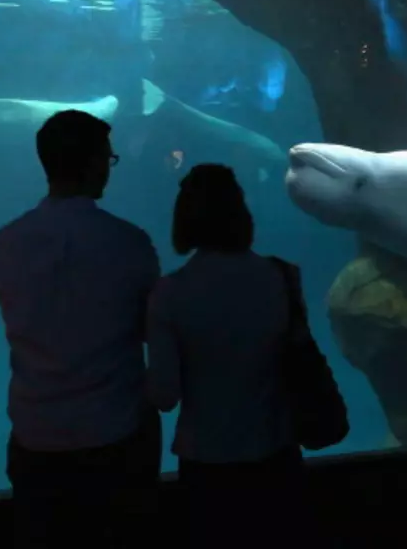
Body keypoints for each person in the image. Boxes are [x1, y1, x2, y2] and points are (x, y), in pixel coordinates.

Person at [0, 110, 162, 549]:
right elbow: (149, 329)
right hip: (115, 432)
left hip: (35, 434)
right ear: (94, 163)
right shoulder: (129, 241)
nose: (110, 166)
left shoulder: (4, 242)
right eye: (108, 158)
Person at [145, 163, 321, 544]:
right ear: (242, 212)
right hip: (276, 450)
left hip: (207, 458)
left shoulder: (169, 294)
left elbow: (164, 395)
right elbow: (299, 357)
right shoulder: (283, 277)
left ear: (184, 218)